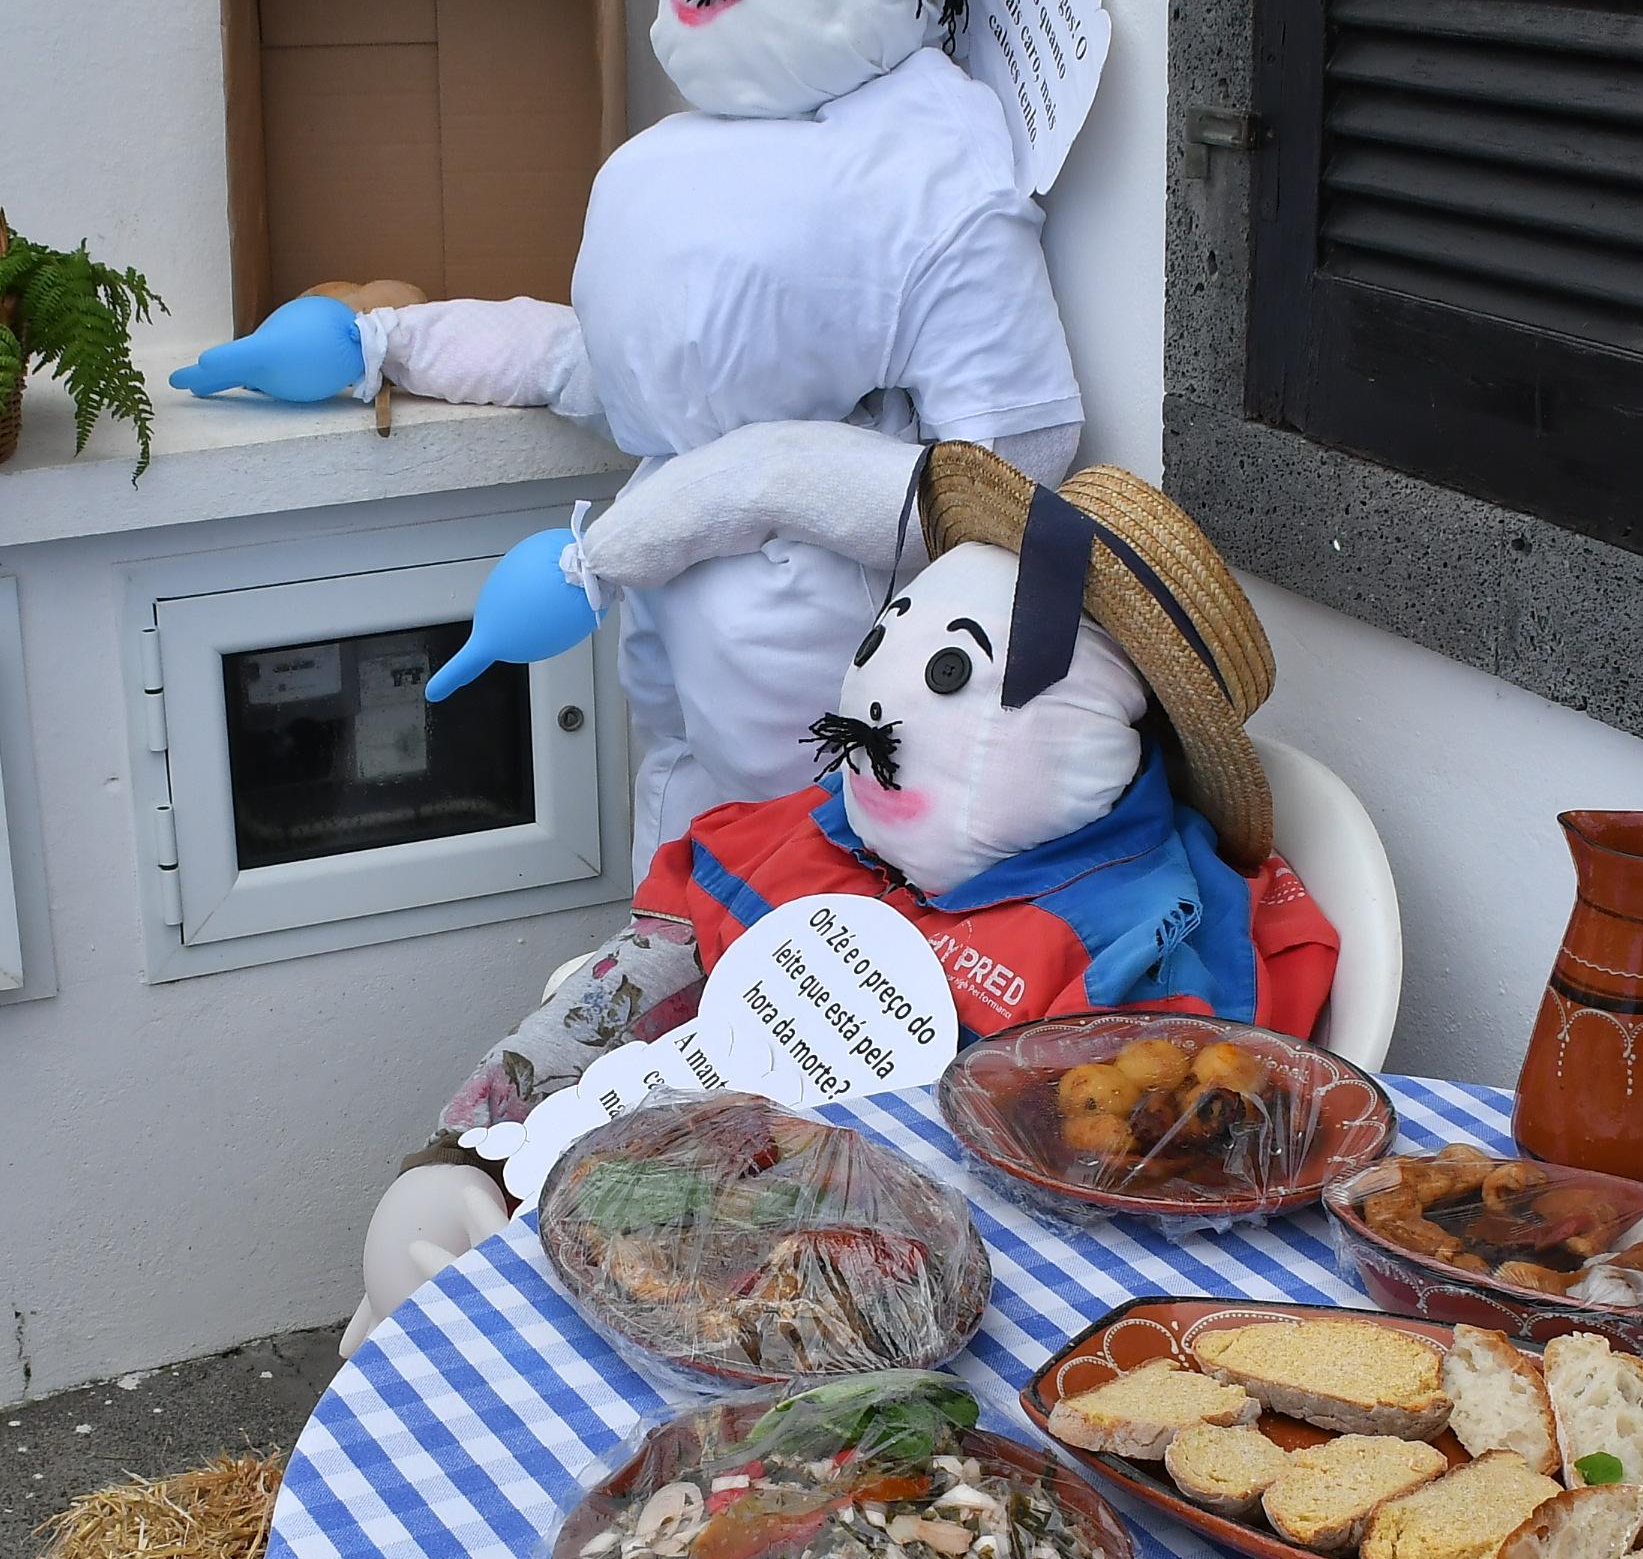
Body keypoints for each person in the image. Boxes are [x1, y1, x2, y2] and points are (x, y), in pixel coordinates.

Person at [171, 0, 1085, 868]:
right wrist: (384, 341)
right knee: (677, 815)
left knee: (801, 861)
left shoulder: (929, 166)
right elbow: (604, 367)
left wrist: (736, 489)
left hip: (813, 619)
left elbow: (1011, 470)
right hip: (677, 603)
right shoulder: (685, 151)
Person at [357, 450, 1336, 1339]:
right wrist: (466, 1154)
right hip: (608, 1218)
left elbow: (1119, 1194)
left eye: (950, 674)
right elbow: (633, 984)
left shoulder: (1130, 940)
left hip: (856, 1325)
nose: (870, 717)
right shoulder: (808, 837)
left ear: (1106, 733)